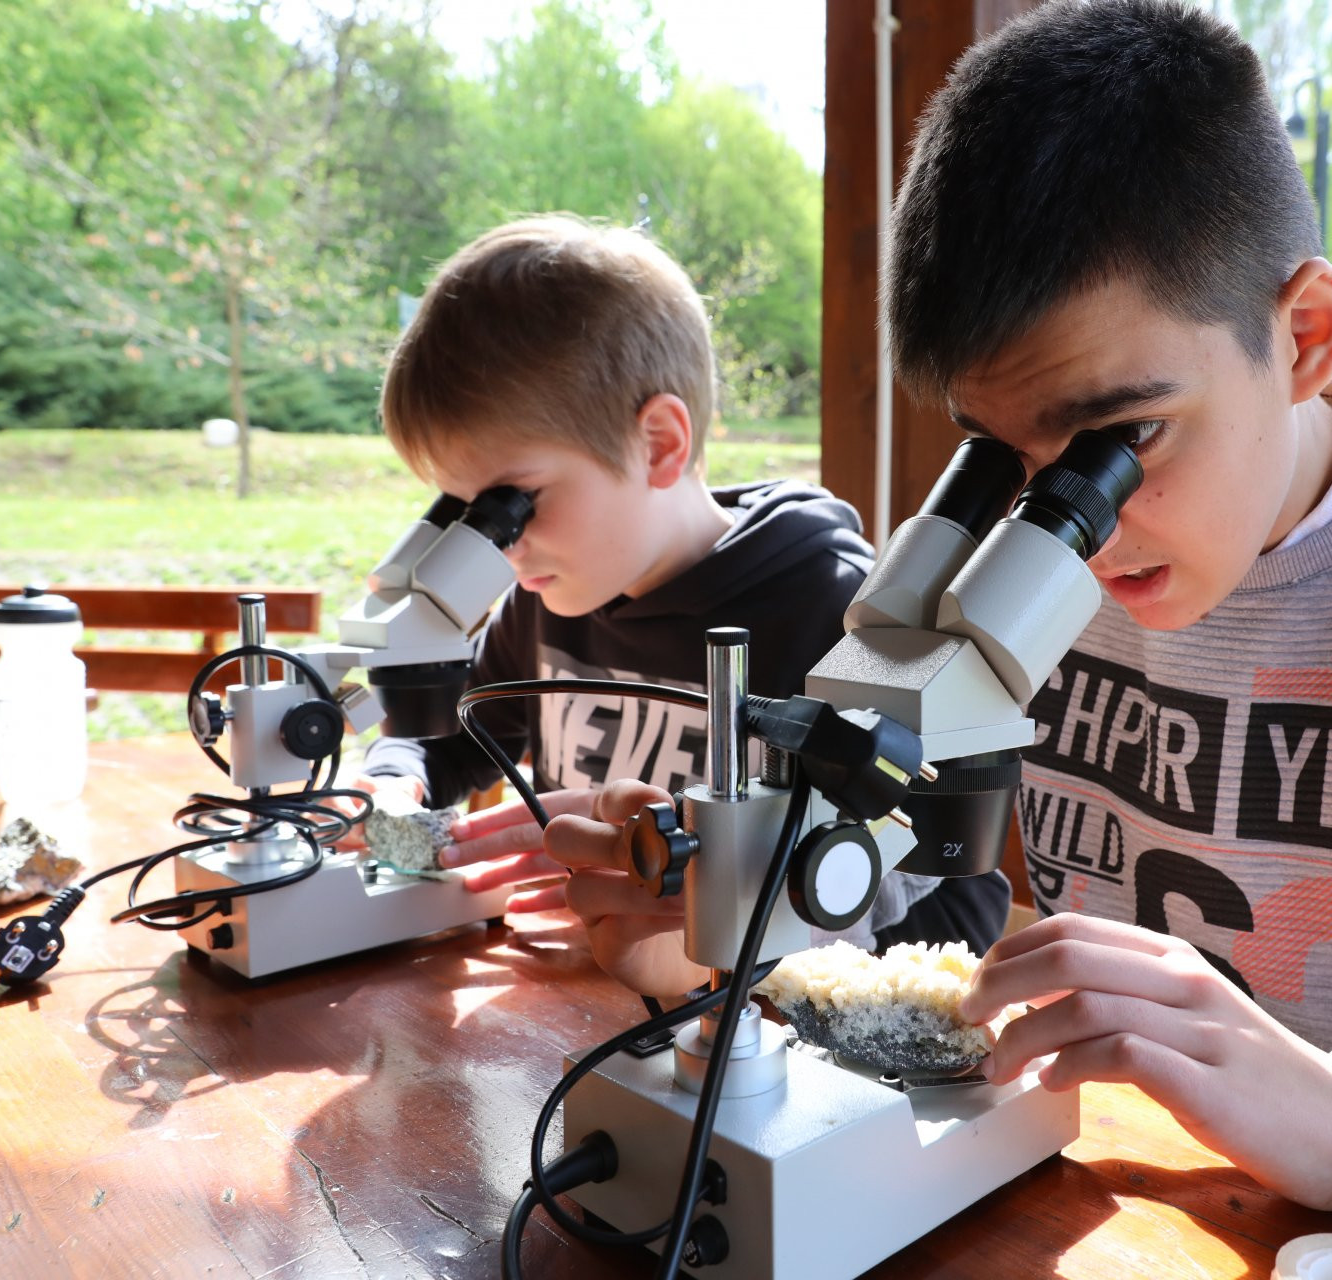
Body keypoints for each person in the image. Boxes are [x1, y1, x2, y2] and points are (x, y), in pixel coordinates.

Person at [539, 3, 1332, 1267]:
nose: (1073, 539)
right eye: (1010, 458)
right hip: (1118, 1221)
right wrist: (723, 923)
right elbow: (895, 916)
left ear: (1304, 334)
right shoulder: (1015, 572)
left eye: (1121, 440)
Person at [349, 215, 1012, 959]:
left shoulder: (843, 618)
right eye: (464, 515)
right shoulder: (537, 602)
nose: (500, 547)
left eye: (510, 505)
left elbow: (953, 895)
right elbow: (446, 743)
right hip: (592, 992)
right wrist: (392, 784)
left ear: (659, 443)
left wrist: (729, 917)